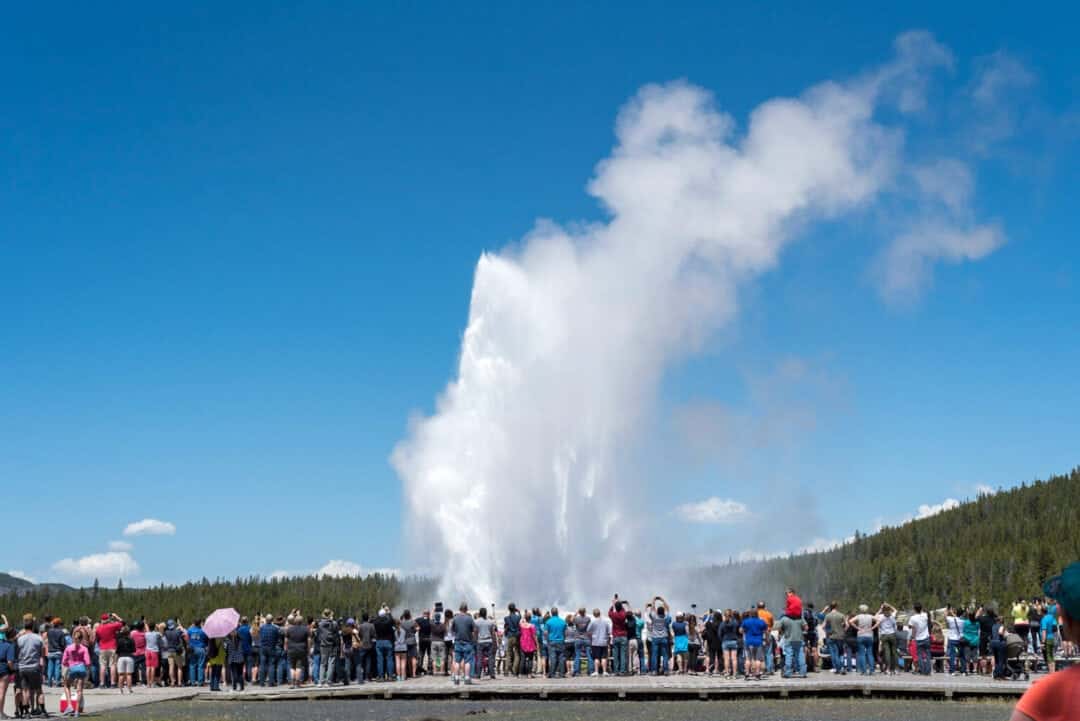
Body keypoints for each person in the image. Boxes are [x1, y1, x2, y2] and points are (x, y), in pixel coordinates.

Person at [1012, 562, 1080, 721]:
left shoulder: (1047, 692)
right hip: (1050, 638)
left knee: (1048, 655)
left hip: (1046, 640)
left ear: (1067, 619)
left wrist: (1042, 641)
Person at [15, 619, 45, 717]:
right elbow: (42, 654)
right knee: (39, 689)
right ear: (32, 627)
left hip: (22, 667)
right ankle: (42, 710)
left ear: (24, 627)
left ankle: (26, 712)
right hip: (34, 666)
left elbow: (17, 653)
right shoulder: (39, 638)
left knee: (25, 690)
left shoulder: (20, 639)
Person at [61, 629, 91, 717]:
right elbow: (88, 662)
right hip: (81, 669)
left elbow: (64, 661)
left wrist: (68, 664)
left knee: (67, 685)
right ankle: (77, 711)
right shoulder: (84, 649)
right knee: (79, 690)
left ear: (73, 638)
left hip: (72, 669)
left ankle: (69, 705)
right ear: (82, 639)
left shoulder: (68, 648)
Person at [94, 613, 123, 689]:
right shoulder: (112, 626)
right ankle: (113, 683)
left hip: (102, 647)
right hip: (112, 647)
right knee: (112, 665)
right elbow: (122, 623)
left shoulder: (98, 628)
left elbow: (97, 637)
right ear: (108, 619)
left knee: (102, 666)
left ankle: (102, 683)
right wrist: (116, 616)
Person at [450, 603, 476, 685]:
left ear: (459, 609)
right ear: (466, 609)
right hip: (468, 642)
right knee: (467, 661)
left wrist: (456, 635)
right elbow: (474, 630)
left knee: (457, 661)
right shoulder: (470, 619)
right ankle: (467, 677)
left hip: (458, 642)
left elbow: (452, 630)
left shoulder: (455, 618)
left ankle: (456, 677)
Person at [777, 611, 808, 678]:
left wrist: (784, 632)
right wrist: (800, 630)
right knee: (800, 655)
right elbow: (806, 628)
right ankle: (803, 672)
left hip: (788, 639)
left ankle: (788, 672)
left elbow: (779, 628)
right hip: (799, 639)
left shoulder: (784, 618)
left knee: (789, 655)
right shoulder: (800, 617)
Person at [849, 604, 878, 676]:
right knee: (870, 654)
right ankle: (872, 670)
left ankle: (863, 670)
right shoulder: (870, 616)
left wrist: (857, 628)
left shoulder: (858, 616)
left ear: (861, 610)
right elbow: (879, 620)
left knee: (861, 654)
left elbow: (850, 621)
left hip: (861, 635)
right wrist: (872, 628)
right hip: (869, 635)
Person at [740, 606, 767, 681]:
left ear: (750, 614)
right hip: (758, 641)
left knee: (748, 659)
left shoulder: (746, 621)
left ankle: (747, 674)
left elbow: (741, 630)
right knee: (758, 659)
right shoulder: (761, 621)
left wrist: (745, 631)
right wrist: (766, 639)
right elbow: (766, 631)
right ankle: (757, 675)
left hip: (748, 641)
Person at [907, 603, 934, 675]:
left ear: (914, 609)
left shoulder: (913, 618)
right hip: (926, 637)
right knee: (928, 655)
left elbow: (909, 626)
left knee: (919, 656)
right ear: (921, 608)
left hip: (918, 638)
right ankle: (928, 671)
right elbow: (928, 614)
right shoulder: (925, 615)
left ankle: (922, 671)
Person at [648, 597, 672, 676]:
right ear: (663, 612)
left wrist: (653, 600)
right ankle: (665, 670)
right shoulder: (666, 618)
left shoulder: (654, 617)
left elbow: (651, 610)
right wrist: (663, 600)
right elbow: (668, 609)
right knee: (665, 655)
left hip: (655, 638)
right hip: (664, 637)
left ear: (657, 612)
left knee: (654, 655)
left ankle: (654, 671)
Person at [285, 614, 310, 688]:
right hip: (302, 649)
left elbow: (286, 640)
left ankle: (292, 683)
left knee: (292, 666)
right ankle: (298, 683)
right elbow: (309, 640)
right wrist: (308, 649)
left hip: (291, 649)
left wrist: (286, 648)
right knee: (299, 666)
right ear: (301, 621)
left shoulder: (289, 629)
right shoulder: (305, 629)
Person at [316, 609, 340, 686]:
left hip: (323, 645)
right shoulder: (334, 623)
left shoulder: (320, 624)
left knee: (323, 664)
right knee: (331, 663)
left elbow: (318, 634)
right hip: (332, 645)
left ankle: (320, 681)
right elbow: (337, 634)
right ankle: (328, 681)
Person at [258, 616, 282, 687]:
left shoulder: (261, 627)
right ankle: (271, 682)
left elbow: (260, 636)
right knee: (271, 665)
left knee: (262, 665)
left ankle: (261, 682)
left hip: (263, 648)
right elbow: (277, 638)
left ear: (266, 620)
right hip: (271, 647)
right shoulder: (275, 628)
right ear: (272, 620)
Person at [372, 608, 396, 682]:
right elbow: (392, 620)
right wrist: (389, 612)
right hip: (388, 641)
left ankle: (381, 676)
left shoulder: (376, 623)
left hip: (379, 641)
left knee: (380, 660)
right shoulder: (388, 622)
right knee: (389, 659)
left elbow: (375, 619)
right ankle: (390, 676)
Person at [824, 602, 847, 675]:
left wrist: (827, 632)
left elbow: (822, 626)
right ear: (837, 606)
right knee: (841, 653)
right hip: (841, 636)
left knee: (834, 653)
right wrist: (843, 631)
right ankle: (842, 667)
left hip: (832, 637)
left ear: (830, 607)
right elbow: (847, 625)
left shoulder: (828, 615)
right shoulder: (841, 615)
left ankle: (838, 668)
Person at [473, 608, 496, 680]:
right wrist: (494, 642)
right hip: (489, 641)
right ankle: (492, 674)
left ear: (479, 613)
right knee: (491, 658)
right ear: (486, 613)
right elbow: (493, 633)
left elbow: (475, 633)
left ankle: (478, 674)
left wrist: (475, 641)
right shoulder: (490, 622)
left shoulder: (476, 622)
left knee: (479, 658)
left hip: (480, 641)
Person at [876, 603, 899, 675]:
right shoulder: (892, 616)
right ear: (889, 610)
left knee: (887, 653)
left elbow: (875, 615)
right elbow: (896, 610)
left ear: (883, 610)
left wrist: (881, 608)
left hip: (884, 635)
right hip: (892, 634)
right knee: (894, 652)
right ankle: (896, 669)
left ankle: (888, 669)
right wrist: (889, 605)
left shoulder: (880, 617)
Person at [608, 599, 628, 676]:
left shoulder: (613, 614)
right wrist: (621, 605)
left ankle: (616, 671)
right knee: (623, 654)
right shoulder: (623, 614)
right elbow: (624, 612)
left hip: (615, 636)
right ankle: (622, 671)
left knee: (615, 655)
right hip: (623, 635)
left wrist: (613, 604)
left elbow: (609, 612)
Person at [45, 618, 66, 688]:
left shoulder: (49, 631)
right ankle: (57, 682)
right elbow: (63, 643)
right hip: (58, 651)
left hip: (50, 651)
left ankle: (49, 682)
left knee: (50, 667)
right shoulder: (61, 632)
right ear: (59, 624)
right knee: (57, 667)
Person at [0, 628, 16, 718]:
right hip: (3, 670)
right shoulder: (9, 645)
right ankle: (0, 713)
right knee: (1, 692)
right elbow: (10, 662)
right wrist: (13, 670)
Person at [115, 625, 135, 694]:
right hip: (129, 657)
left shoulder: (119, 641)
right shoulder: (131, 640)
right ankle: (129, 689)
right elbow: (134, 650)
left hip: (121, 657)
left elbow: (117, 651)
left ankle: (120, 690)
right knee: (129, 674)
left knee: (121, 674)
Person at [944, 605, 964, 675]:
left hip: (952, 638)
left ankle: (952, 670)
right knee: (962, 655)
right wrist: (953, 613)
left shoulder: (951, 619)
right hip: (960, 639)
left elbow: (945, 615)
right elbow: (958, 617)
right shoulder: (963, 621)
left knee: (952, 655)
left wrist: (948, 609)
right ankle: (963, 670)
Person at [503, 604, 522, 678]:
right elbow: (520, 616)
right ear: (515, 609)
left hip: (510, 637)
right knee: (517, 653)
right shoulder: (517, 617)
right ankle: (514, 670)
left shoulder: (506, 618)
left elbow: (506, 626)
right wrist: (519, 612)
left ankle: (507, 670)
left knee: (509, 654)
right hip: (516, 637)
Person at [1040, 603, 1058, 674]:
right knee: (1052, 655)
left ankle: (1051, 673)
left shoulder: (1044, 619)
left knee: (1048, 656)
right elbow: (1054, 627)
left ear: (1042, 612)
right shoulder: (1051, 617)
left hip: (1047, 638)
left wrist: (1043, 642)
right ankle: (1053, 672)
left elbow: (1044, 631)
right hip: (1052, 638)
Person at [144, 622, 163, 688]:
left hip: (147, 650)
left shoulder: (146, 634)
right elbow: (161, 633)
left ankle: (148, 683)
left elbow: (147, 629)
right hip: (154, 651)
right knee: (153, 667)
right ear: (154, 627)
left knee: (148, 667)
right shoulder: (156, 634)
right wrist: (158, 627)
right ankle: (152, 682)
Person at [429, 612, 445, 678]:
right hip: (441, 641)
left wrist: (432, 611)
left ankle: (435, 671)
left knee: (434, 658)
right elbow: (445, 632)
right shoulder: (442, 625)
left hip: (433, 641)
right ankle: (441, 671)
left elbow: (430, 620)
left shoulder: (432, 624)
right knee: (442, 658)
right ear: (440, 618)